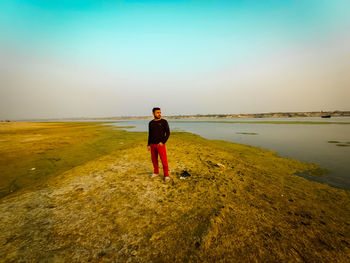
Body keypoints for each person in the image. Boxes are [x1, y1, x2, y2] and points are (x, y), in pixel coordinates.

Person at [147, 107, 170, 181]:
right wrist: (148, 144)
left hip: (160, 145)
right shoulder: (151, 123)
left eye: (160, 112)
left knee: (164, 160)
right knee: (154, 160)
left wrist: (162, 142)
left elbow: (168, 133)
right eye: (157, 113)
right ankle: (156, 172)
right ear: (153, 114)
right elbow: (150, 134)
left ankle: (166, 175)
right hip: (152, 145)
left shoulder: (164, 122)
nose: (159, 114)